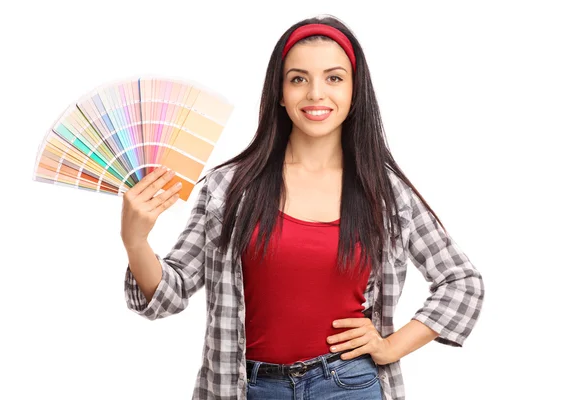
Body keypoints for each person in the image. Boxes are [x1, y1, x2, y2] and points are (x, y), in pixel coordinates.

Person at [121, 14, 485, 400]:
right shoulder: (228, 187)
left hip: (349, 385)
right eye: (298, 79)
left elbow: (462, 282)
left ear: (354, 90)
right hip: (244, 387)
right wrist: (135, 241)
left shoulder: (387, 194)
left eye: (334, 78)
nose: (315, 94)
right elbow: (169, 295)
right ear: (279, 92)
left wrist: (391, 346)